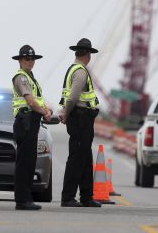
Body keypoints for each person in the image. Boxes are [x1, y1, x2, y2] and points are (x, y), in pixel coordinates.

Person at [58, 38, 101, 208]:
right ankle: (68, 197)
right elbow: (73, 97)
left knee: (85, 158)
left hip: (82, 118)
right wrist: (66, 113)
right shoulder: (81, 71)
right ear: (88, 55)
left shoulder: (73, 69)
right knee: (77, 158)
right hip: (81, 118)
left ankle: (86, 196)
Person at [11, 44, 52, 211]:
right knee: (24, 162)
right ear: (20, 60)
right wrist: (44, 112)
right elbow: (29, 100)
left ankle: (26, 198)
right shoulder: (21, 77)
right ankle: (22, 200)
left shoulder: (30, 77)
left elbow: (37, 100)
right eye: (27, 59)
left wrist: (46, 110)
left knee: (29, 162)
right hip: (25, 122)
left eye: (32, 59)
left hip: (31, 122)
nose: (30, 61)